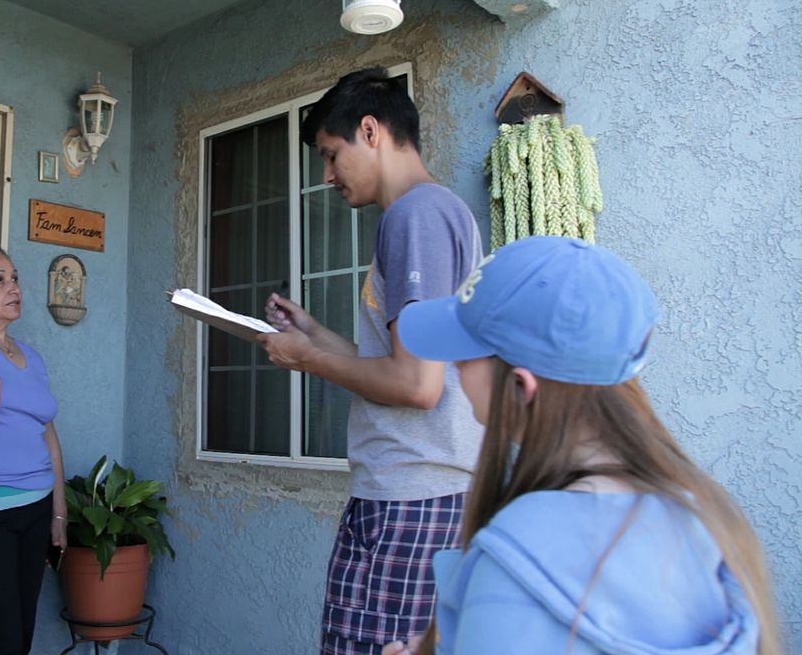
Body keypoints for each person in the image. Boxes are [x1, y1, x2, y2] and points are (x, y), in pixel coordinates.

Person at [383, 235, 780, 655]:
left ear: (522, 387)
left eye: (464, 359)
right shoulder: (708, 518)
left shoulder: (513, 560)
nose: (455, 370)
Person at [257, 66, 483, 653]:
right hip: (419, 494)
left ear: (370, 130)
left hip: (412, 499)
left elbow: (416, 384)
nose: (327, 176)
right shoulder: (434, 213)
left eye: (332, 156)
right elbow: (402, 364)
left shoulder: (416, 215)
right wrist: (315, 336)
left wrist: (307, 359)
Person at [0, 244, 69, 655]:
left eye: (15, 278)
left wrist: (59, 511)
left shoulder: (32, 357)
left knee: (20, 634)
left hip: (35, 510)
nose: (13, 287)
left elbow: (48, 435)